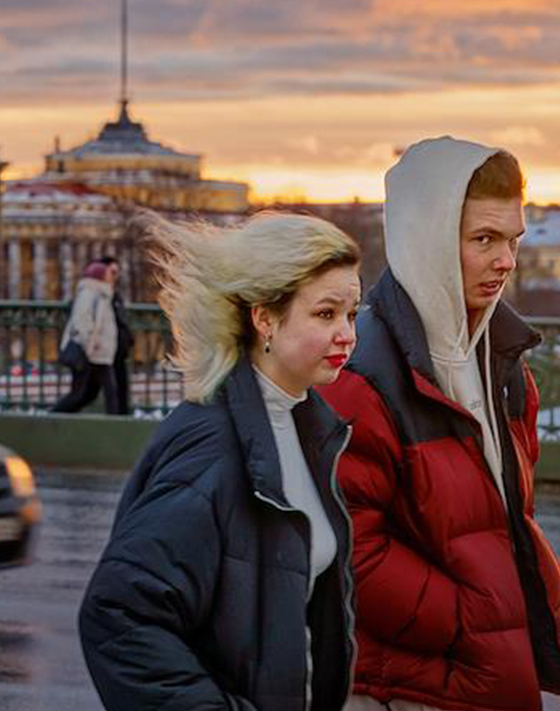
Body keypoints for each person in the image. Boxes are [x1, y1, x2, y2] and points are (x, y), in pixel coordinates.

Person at [320, 137, 560, 711]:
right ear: (427, 241)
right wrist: (478, 616)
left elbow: (505, 522)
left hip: (481, 678)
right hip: (402, 689)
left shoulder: (507, 368)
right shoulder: (360, 378)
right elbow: (351, 554)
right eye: (483, 239)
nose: (506, 261)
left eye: (513, 240)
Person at [79, 213, 364, 711]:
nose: (347, 335)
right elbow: (118, 615)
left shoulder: (306, 428)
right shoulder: (213, 447)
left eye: (352, 314)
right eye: (325, 314)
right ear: (265, 319)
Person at [53, 260, 121, 415]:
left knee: (86, 394)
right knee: (102, 392)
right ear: (101, 276)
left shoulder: (103, 294)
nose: (113, 277)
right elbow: (82, 321)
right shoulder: (90, 293)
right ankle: (52, 416)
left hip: (99, 353)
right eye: (110, 274)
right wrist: (90, 346)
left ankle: (56, 415)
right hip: (91, 352)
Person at [98, 255, 134, 415]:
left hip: (118, 351)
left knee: (120, 392)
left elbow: (121, 321)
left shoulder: (114, 295)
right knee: (83, 394)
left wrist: (129, 339)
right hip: (104, 352)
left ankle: (121, 418)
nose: (115, 276)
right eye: (112, 272)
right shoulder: (97, 294)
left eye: (117, 272)